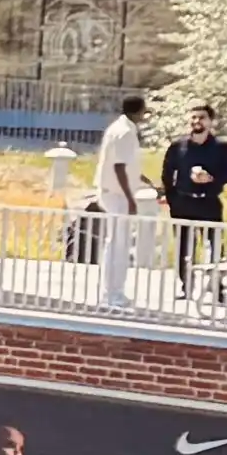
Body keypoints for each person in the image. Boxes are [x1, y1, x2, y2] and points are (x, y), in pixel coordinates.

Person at [155, 108, 227, 291]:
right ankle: (186, 284)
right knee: (184, 246)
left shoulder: (221, 146)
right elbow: (167, 174)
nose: (197, 121)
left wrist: (211, 178)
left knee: (215, 244)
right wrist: (171, 199)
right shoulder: (178, 146)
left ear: (210, 121)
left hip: (209, 201)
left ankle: (216, 285)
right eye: (193, 117)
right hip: (183, 203)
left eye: (201, 117)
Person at [87, 94, 158, 309]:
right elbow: (118, 167)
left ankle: (114, 292)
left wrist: (141, 178)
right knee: (118, 244)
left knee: (118, 243)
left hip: (114, 192)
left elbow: (125, 165)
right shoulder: (125, 132)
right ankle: (111, 294)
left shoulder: (119, 128)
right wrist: (130, 198)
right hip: (116, 195)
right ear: (139, 111)